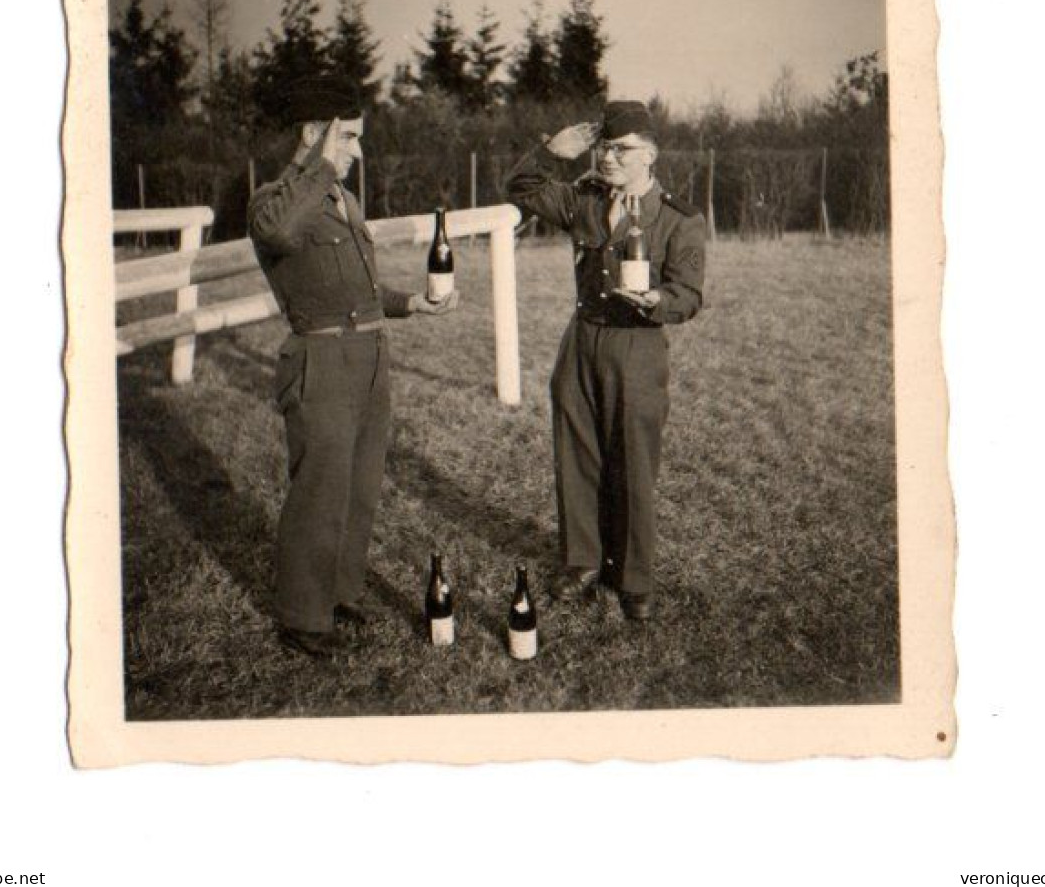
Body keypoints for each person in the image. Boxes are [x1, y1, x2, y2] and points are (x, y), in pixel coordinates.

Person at [247, 76, 458, 658]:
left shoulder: (342, 199)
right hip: (321, 360)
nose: (357, 152)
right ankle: (304, 616)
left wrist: (412, 302)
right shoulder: (272, 200)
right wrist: (320, 165)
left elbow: (359, 286)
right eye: (348, 139)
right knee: (320, 489)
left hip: (369, 357)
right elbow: (278, 232)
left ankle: (340, 593)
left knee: (359, 487)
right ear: (314, 135)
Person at [507, 100, 707, 621]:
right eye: (604, 148)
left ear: (651, 156)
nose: (610, 158)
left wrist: (659, 302)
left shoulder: (679, 218)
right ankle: (582, 564)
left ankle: (634, 578)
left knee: (634, 464)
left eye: (622, 149)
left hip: (636, 345)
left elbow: (688, 294)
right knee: (576, 455)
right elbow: (521, 189)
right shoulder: (584, 201)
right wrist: (552, 152)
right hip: (582, 340)